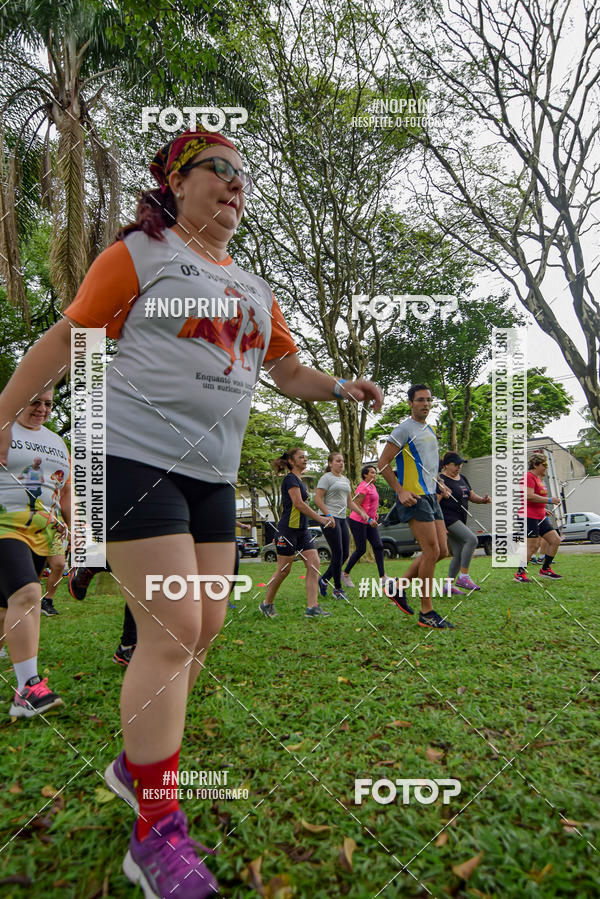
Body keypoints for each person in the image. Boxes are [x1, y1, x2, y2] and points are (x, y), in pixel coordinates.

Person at [0, 128, 383, 898]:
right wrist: (5, 411)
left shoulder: (254, 287)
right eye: (220, 170)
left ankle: (131, 765)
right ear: (177, 182)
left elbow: (287, 369)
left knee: (205, 627)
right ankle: (155, 831)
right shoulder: (140, 255)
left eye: (244, 174)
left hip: (213, 475)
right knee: (174, 627)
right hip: (134, 457)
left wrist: (341, 386)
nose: (236, 184)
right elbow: (71, 336)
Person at [0, 390, 69, 715]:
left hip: (43, 529)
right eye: (34, 402)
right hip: (4, 523)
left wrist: (77, 526)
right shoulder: (3, 427)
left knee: (7, 610)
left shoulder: (56, 441)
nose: (41, 409)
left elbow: (66, 489)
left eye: (48, 404)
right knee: (28, 593)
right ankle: (28, 690)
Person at [377, 384, 455, 629]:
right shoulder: (403, 429)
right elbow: (382, 463)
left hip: (432, 496)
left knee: (442, 551)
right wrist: (399, 491)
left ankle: (397, 588)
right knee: (431, 552)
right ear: (411, 403)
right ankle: (427, 612)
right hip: (414, 498)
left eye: (429, 400)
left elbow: (428, 466)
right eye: (420, 400)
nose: (426, 404)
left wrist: (440, 483)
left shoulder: (429, 429)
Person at [259, 448, 335, 618]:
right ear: (292, 462)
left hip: (302, 531)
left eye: (305, 457)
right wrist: (321, 519)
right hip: (287, 530)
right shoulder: (290, 479)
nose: (305, 459)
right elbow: (298, 504)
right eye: (301, 457)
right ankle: (266, 604)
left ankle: (312, 607)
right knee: (284, 570)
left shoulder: (299, 479)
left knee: (314, 564)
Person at [437, 452, 491, 593]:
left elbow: (471, 496)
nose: (459, 467)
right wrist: (439, 524)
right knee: (472, 539)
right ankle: (464, 576)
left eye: (460, 464)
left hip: (461, 518)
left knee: (459, 552)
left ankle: (448, 586)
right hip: (448, 519)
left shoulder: (463, 478)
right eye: (456, 464)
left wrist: (483, 500)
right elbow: (434, 503)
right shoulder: (440, 480)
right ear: (446, 465)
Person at [315, 452, 365, 600]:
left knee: (345, 554)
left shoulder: (345, 480)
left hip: (342, 518)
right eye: (338, 461)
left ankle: (323, 580)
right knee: (337, 553)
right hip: (329, 518)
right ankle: (337, 589)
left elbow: (349, 502)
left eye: (342, 461)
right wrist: (328, 515)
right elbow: (317, 499)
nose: (341, 463)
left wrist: (362, 513)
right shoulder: (326, 478)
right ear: (330, 463)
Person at [515, 453, 563, 582]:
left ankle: (545, 569)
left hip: (539, 515)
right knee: (533, 546)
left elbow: (535, 498)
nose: (545, 468)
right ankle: (520, 574)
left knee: (555, 540)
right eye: (544, 465)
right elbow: (528, 496)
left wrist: (543, 507)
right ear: (535, 464)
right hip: (528, 516)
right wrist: (549, 500)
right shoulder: (528, 477)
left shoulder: (537, 478)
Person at [343, 464, 385, 587]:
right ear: (365, 475)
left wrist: (374, 514)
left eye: (375, 473)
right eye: (372, 472)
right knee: (361, 549)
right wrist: (369, 518)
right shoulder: (362, 487)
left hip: (370, 520)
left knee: (378, 546)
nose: (374, 475)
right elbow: (356, 505)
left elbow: (370, 504)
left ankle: (383, 577)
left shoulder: (372, 486)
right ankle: (345, 574)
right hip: (358, 521)